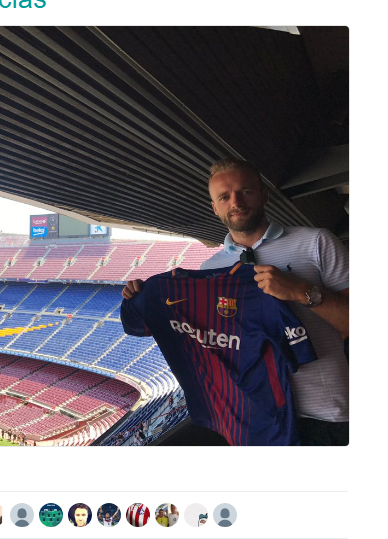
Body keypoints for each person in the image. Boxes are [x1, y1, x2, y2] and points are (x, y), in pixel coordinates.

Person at [122, 157, 349, 446]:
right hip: (257, 424)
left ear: (264, 195)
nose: (236, 202)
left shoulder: (316, 242)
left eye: (246, 191)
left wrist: (300, 292)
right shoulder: (207, 273)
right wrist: (142, 300)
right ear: (215, 208)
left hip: (328, 414)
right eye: (224, 197)